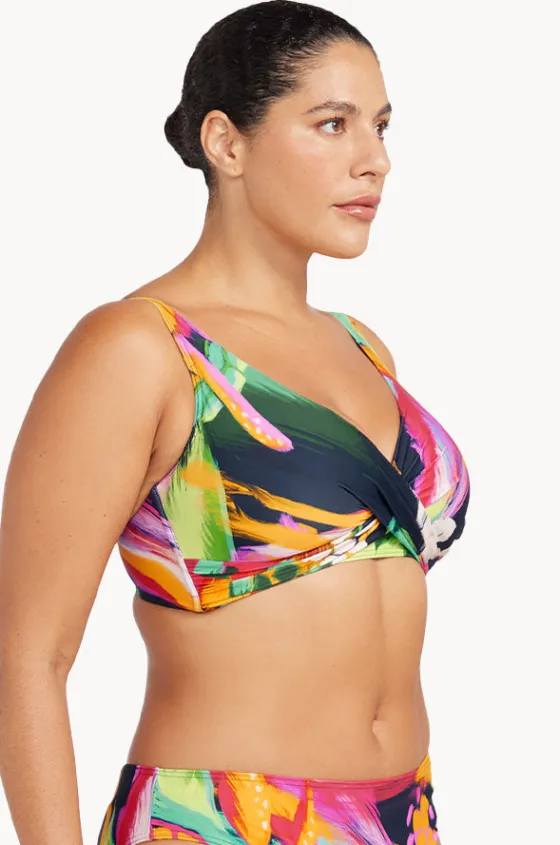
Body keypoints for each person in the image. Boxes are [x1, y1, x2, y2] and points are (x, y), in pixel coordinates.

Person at [0, 2, 470, 844]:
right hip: (220, 818)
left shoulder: (364, 348)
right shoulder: (139, 347)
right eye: (332, 124)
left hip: (403, 815)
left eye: (381, 126)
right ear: (226, 142)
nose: (375, 160)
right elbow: (27, 656)